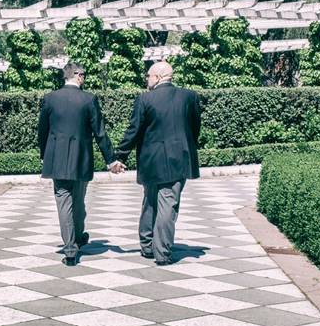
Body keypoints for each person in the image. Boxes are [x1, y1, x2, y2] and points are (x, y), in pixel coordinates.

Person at [114, 61, 201, 265]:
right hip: (179, 158)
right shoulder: (189, 96)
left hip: (151, 160)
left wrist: (120, 156)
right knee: (168, 204)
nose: (146, 79)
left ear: (159, 77)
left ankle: (147, 246)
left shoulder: (145, 99)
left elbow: (133, 131)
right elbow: (195, 127)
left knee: (150, 201)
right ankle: (162, 252)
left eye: (148, 76)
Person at [38, 61, 122, 266]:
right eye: (83, 74)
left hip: (56, 159)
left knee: (63, 202)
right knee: (77, 200)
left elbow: (42, 131)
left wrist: (43, 154)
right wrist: (111, 160)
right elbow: (100, 133)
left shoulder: (50, 99)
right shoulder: (88, 99)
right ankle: (76, 238)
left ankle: (70, 247)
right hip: (81, 158)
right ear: (77, 75)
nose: (84, 78)